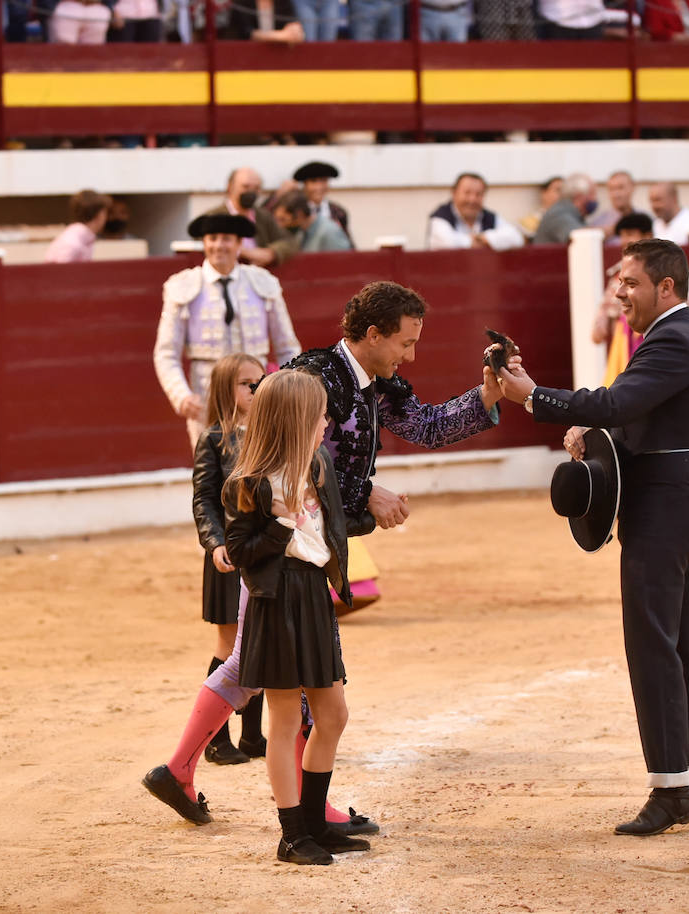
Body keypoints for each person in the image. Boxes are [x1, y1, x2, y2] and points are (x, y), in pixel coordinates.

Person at [143, 280, 505, 833]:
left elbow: (426, 426)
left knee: (254, 665)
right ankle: (307, 811)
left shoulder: (374, 380)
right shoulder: (314, 377)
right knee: (301, 677)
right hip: (278, 540)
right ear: (372, 334)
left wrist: (487, 396)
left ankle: (182, 770)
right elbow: (293, 466)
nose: (410, 355)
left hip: (303, 540)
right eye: (404, 344)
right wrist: (366, 496)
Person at [494, 238, 689, 837]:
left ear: (665, 287)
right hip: (681, 499)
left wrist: (533, 397)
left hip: (664, 506)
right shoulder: (676, 336)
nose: (619, 293)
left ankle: (671, 787)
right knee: (683, 643)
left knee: (654, 643)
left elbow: (619, 400)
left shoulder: (673, 337)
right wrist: (585, 423)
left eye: (631, 283)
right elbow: (631, 412)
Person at [223, 369, 367, 866]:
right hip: (276, 601)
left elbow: (331, 524)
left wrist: (374, 518)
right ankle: (291, 835)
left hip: (310, 596)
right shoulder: (249, 483)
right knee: (284, 721)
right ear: (294, 420)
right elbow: (241, 551)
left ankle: (314, 824)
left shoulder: (318, 463)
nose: (327, 421)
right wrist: (282, 525)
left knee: (333, 715)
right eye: (320, 414)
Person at [153, 212, 301, 444]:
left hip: (257, 393)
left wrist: (285, 390)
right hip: (206, 394)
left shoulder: (263, 282)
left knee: (260, 468)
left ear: (239, 244)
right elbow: (166, 353)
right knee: (210, 472)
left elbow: (287, 346)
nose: (218, 245)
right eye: (212, 238)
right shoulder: (182, 286)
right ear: (204, 243)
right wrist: (181, 395)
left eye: (226, 238)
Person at [191, 353, 268, 766]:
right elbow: (204, 498)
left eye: (259, 381)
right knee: (228, 645)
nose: (254, 389)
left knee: (257, 642)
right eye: (244, 383)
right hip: (227, 553)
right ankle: (217, 740)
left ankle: (253, 735)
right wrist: (215, 542)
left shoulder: (269, 432)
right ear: (225, 390)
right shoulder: (214, 438)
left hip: (261, 553)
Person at [591, 212, 654, 385]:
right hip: (624, 341)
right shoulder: (619, 273)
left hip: (653, 337)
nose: (625, 240)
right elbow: (606, 308)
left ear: (647, 236)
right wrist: (601, 322)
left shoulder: (662, 270)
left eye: (630, 234)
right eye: (623, 235)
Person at [206, 167, 298, 269]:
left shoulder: (263, 216)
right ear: (230, 187)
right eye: (245, 186)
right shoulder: (213, 216)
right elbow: (204, 244)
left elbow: (290, 241)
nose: (251, 192)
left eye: (256, 188)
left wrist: (271, 253)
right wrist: (243, 251)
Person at [427, 173, 526, 251]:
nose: (472, 200)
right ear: (454, 193)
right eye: (467, 193)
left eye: (478, 194)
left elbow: (516, 238)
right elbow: (448, 243)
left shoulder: (489, 216)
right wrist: (484, 242)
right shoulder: (440, 216)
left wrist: (481, 238)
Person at [273, 189, 353, 253]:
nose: (279, 225)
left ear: (300, 214)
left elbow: (343, 262)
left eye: (283, 219)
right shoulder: (301, 232)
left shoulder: (329, 232)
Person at [292, 161, 351, 243]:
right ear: (305, 185)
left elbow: (346, 241)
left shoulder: (338, 212)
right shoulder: (295, 209)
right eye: (313, 181)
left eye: (323, 181)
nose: (319, 187)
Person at [44, 190, 110, 263]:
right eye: (105, 213)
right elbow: (60, 272)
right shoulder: (73, 243)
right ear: (99, 215)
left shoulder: (81, 237)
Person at [533, 173, 598, 246]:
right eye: (592, 194)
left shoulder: (575, 215)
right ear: (579, 196)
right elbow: (581, 238)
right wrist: (611, 230)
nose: (595, 199)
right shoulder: (558, 214)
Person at [518, 176, 562, 242]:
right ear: (544, 193)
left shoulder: (573, 218)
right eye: (558, 190)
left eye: (565, 191)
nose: (563, 194)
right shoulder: (528, 222)